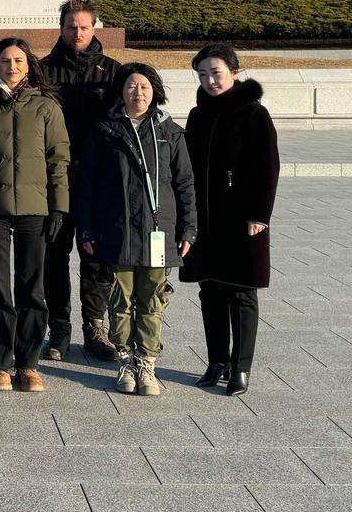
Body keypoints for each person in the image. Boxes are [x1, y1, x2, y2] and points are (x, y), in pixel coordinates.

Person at [75, 65, 198, 398]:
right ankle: (125, 361)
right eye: (131, 87)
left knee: (152, 300)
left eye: (144, 87)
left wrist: (189, 228)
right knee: (120, 300)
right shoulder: (105, 131)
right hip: (116, 232)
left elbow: (185, 182)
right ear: (121, 92)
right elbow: (86, 184)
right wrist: (85, 229)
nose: (138, 93)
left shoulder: (169, 132)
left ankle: (147, 362)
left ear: (154, 91)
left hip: (159, 231)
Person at [0, 38, 69, 392]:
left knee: (32, 287)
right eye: (5, 61)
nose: (12, 67)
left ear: (29, 65)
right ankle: (1, 362)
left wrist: (59, 206)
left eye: (19, 61)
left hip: (35, 209)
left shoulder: (46, 106)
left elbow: (58, 160)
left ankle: (29, 363)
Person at [181, 44, 280, 397]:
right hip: (207, 218)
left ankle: (241, 367)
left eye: (216, 73)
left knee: (241, 292)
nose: (209, 80)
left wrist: (259, 215)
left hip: (241, 218)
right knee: (211, 290)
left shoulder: (254, 113)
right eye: (203, 74)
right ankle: (216, 360)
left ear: (235, 72)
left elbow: (268, 168)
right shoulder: (198, 115)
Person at [40, 0, 124, 362]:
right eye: (71, 26)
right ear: (61, 28)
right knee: (54, 258)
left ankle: (95, 325)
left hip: (98, 183)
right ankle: (58, 328)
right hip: (53, 180)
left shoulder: (114, 72)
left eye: (84, 26)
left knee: (96, 258)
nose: (77, 32)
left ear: (94, 28)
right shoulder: (42, 71)